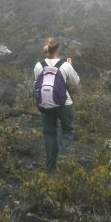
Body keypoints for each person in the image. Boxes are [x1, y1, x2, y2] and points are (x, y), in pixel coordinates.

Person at [34, 37, 80, 173]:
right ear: (58, 50)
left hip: (44, 104)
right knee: (67, 130)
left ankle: (51, 168)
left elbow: (37, 83)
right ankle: (63, 162)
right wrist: (70, 66)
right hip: (64, 104)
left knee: (49, 134)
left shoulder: (39, 65)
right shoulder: (64, 65)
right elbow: (76, 82)